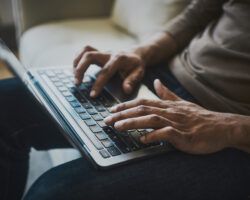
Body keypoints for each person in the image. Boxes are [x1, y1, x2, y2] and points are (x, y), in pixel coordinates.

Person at [0, 0, 250, 199]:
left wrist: (230, 127)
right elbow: (199, 12)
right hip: (164, 79)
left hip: (230, 136)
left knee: (54, 192)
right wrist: (142, 52)